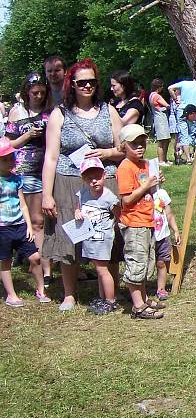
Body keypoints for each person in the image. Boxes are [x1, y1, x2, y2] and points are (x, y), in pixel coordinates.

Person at [42, 58, 124, 312]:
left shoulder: (108, 111)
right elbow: (51, 157)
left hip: (104, 180)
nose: (87, 86)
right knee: (70, 234)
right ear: (72, 84)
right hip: (69, 181)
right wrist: (47, 194)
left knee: (107, 233)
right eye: (82, 82)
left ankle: (110, 291)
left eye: (91, 81)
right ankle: (69, 294)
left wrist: (105, 153)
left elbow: (123, 149)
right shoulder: (60, 114)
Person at [6, 72, 53, 289]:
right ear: (27, 92)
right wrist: (28, 136)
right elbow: (8, 145)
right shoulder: (16, 112)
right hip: (24, 171)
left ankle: (47, 267)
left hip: (46, 170)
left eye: (42, 92)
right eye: (35, 92)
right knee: (32, 221)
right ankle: (37, 264)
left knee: (44, 220)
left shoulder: (50, 111)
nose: (39, 96)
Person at [116, 124, 166, 320]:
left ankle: (144, 298)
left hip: (148, 221)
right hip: (134, 222)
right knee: (136, 263)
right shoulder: (126, 167)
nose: (139, 147)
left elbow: (149, 188)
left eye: (142, 142)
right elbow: (126, 199)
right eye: (134, 144)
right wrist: (146, 185)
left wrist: (156, 182)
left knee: (145, 263)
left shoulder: (145, 164)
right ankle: (138, 306)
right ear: (123, 147)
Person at [0, 137, 47, 306]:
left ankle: (41, 289)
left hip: (19, 224)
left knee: (35, 257)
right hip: (3, 227)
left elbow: (23, 205)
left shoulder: (16, 179)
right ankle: (11, 295)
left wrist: (28, 225)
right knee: (5, 261)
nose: (9, 162)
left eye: (11, 158)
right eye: (4, 159)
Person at [74, 157, 121, 315]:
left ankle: (110, 300)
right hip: (89, 238)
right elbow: (78, 207)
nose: (94, 181)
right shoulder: (83, 193)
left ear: (104, 175)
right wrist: (77, 213)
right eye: (89, 178)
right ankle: (103, 298)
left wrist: (111, 228)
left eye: (97, 177)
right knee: (100, 269)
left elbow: (118, 215)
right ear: (84, 179)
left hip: (102, 239)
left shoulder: (109, 197)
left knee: (102, 270)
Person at [152, 186, 180, 301]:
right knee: (144, 264)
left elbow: (169, 214)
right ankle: (140, 289)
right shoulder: (141, 194)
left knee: (161, 262)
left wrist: (176, 230)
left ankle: (161, 288)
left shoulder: (161, 193)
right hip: (147, 236)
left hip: (162, 235)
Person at [168, 79, 196, 164]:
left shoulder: (184, 83)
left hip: (181, 110)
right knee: (194, 134)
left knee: (183, 135)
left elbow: (170, 88)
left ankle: (186, 157)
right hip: (192, 112)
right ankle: (192, 155)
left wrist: (175, 99)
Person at [147, 78, 172, 166]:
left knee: (166, 140)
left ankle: (165, 159)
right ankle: (161, 161)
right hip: (161, 119)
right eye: (162, 86)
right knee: (162, 141)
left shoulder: (150, 95)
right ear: (159, 87)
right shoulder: (157, 96)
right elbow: (167, 105)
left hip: (157, 119)